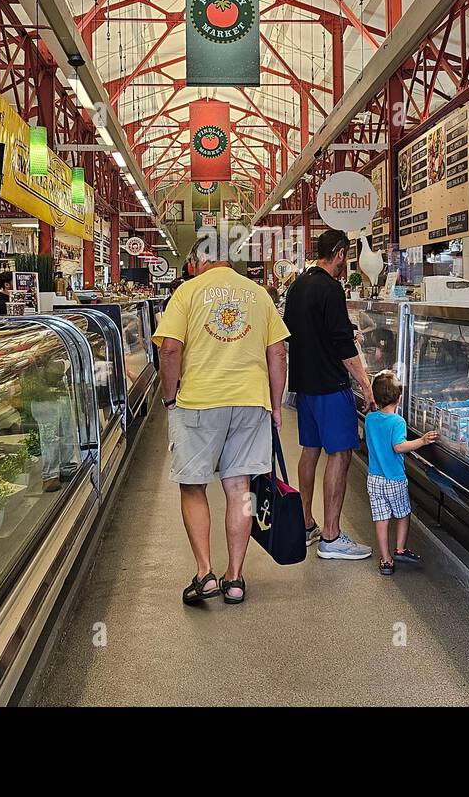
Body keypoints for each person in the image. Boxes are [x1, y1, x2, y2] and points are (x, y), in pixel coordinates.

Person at [153, 244, 290, 606]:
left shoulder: (187, 291)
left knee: (193, 485)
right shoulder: (259, 295)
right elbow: (278, 353)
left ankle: (204, 574)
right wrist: (275, 406)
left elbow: (169, 350)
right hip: (249, 402)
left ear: (197, 261)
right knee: (240, 488)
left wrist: (169, 398)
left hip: (199, 401)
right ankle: (234, 578)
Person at [282, 229, 375, 560]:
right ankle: (332, 537)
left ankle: (307, 524)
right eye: (345, 256)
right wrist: (366, 385)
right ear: (338, 253)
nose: (345, 263)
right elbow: (342, 346)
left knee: (311, 450)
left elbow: (300, 333)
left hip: (304, 385)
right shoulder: (331, 288)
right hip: (331, 387)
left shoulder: (297, 287)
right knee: (341, 454)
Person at [364, 370, 437, 575]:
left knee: (381, 518)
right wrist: (422, 441)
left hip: (374, 478)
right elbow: (399, 446)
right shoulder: (398, 422)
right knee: (403, 513)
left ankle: (386, 560)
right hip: (394, 479)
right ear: (399, 398)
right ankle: (401, 549)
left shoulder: (370, 419)